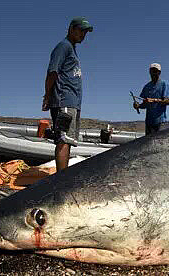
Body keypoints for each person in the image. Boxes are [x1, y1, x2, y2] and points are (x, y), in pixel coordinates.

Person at [42, 17, 93, 172]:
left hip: (72, 102)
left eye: (85, 32)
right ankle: (61, 180)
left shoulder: (72, 48)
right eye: (81, 30)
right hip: (64, 100)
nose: (83, 34)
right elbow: (52, 72)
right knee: (63, 140)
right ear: (71, 28)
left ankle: (62, 177)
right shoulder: (63, 47)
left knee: (67, 140)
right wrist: (47, 95)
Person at [133, 63, 169, 135]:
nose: (153, 73)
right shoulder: (147, 86)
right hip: (149, 122)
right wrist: (138, 106)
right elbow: (145, 104)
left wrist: (154, 100)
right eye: (152, 71)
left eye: (155, 71)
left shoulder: (164, 84)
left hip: (160, 122)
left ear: (159, 72)